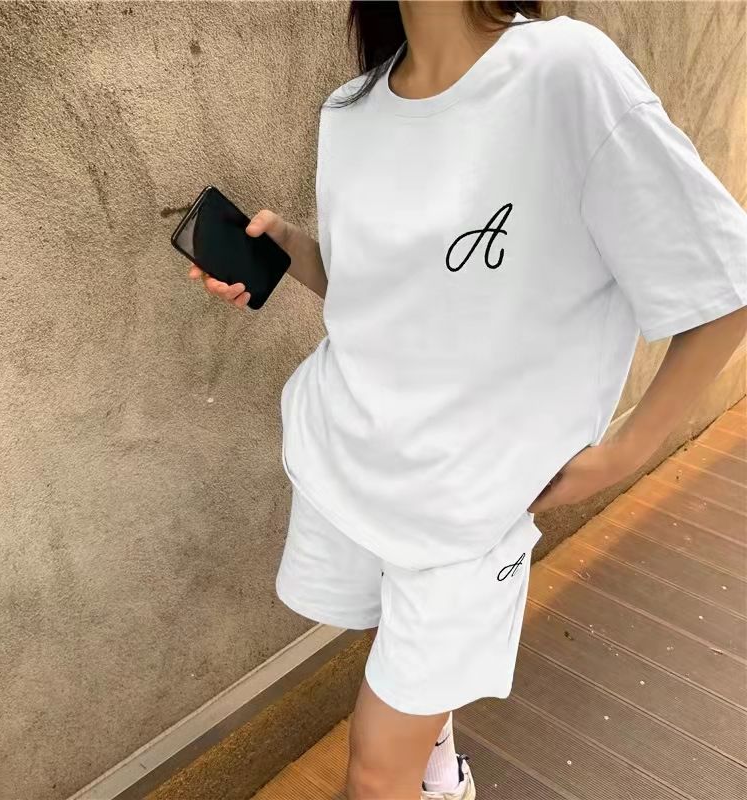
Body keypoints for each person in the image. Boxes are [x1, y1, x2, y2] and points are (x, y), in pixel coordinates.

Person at [188, 2, 747, 798]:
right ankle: (441, 765)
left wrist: (624, 453)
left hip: (469, 512)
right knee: (391, 653)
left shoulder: (563, 72)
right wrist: (285, 250)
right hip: (351, 456)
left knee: (374, 772)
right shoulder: (352, 111)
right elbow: (377, 294)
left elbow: (723, 283)